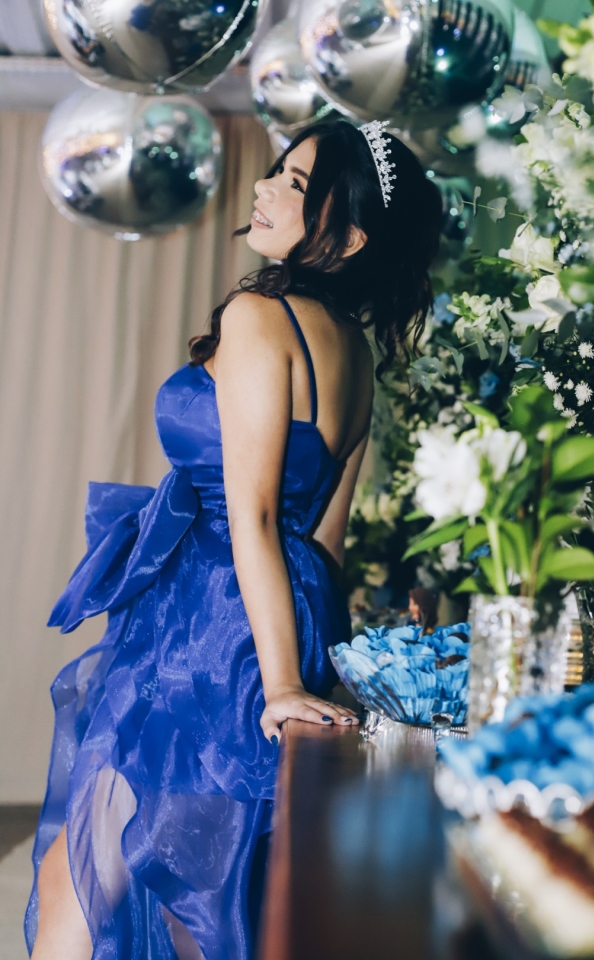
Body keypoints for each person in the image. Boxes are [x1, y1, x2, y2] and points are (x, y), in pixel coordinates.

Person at [27, 118, 441, 960]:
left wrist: (279, 686)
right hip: (278, 609)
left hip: (211, 623)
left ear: (347, 237)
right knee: (199, 876)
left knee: (103, 873)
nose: (264, 186)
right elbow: (323, 541)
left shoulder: (259, 316)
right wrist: (313, 665)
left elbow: (251, 518)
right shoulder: (355, 353)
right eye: (279, 170)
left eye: (295, 182)